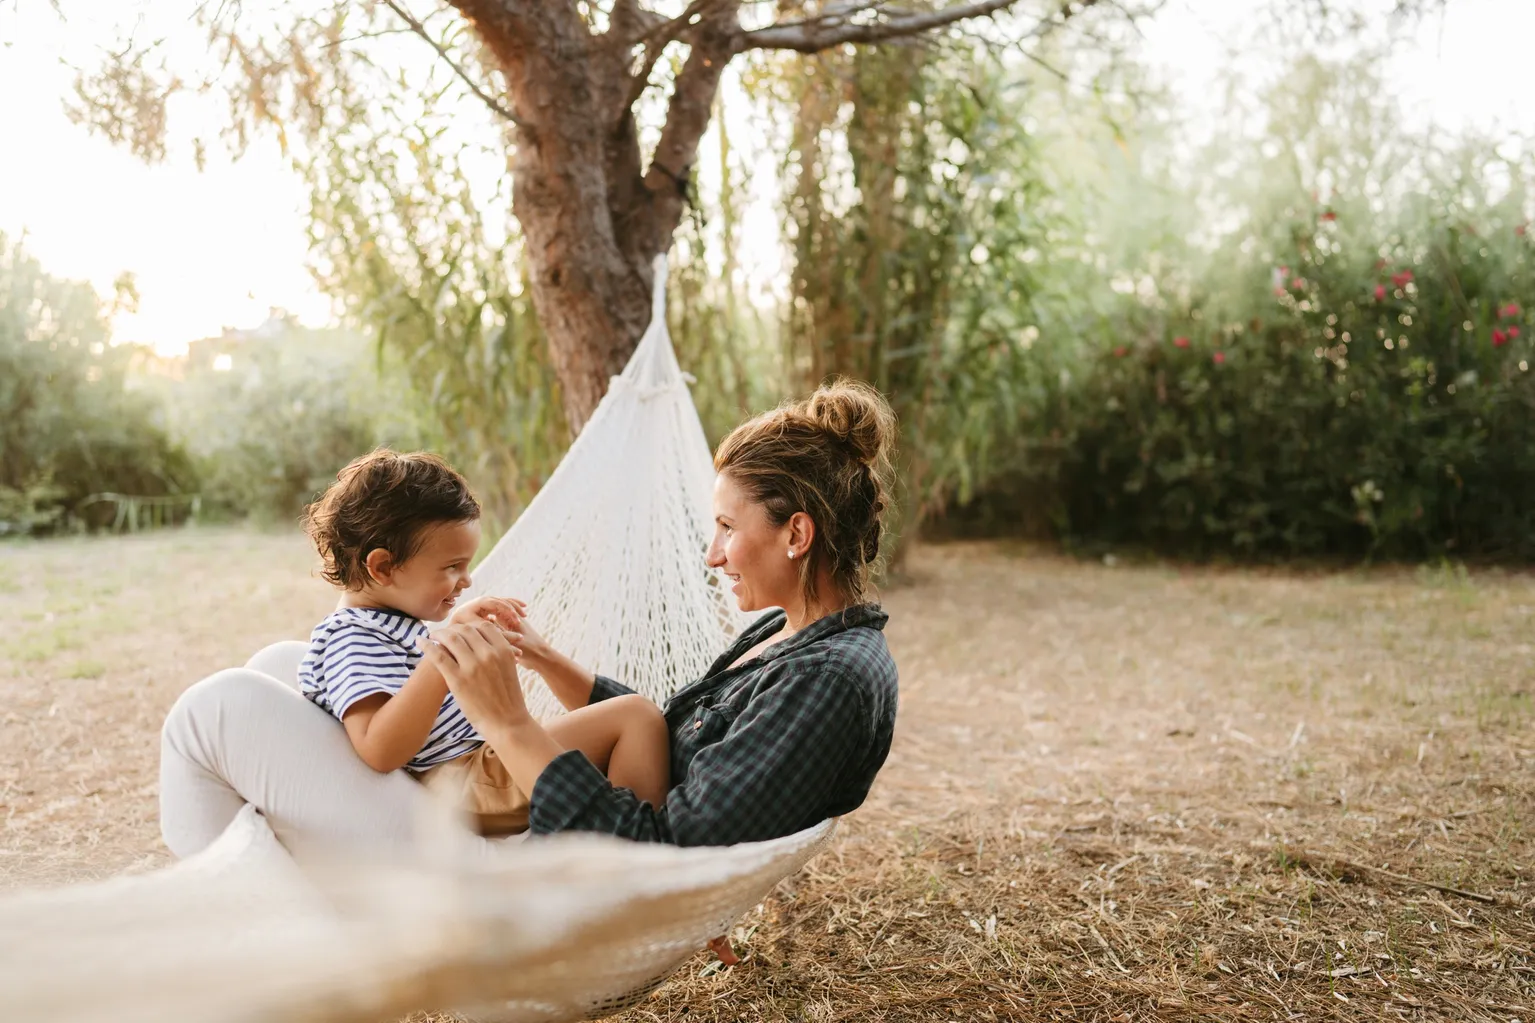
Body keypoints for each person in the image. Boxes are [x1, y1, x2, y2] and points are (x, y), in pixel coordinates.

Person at [158, 380, 899, 854]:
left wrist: (508, 724)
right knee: (277, 667)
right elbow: (670, 739)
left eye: (727, 527)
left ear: (796, 535)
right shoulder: (787, 639)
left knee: (217, 706)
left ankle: (245, 906)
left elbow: (662, 845)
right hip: (450, 785)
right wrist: (541, 658)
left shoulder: (827, 681)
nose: (712, 554)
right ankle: (263, 892)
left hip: (498, 841)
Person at [295, 449, 670, 834]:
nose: (467, 580)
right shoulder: (352, 637)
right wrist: (443, 657)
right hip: (464, 781)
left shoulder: (388, 624)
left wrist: (455, 631)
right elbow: (378, 748)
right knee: (634, 716)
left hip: (482, 768)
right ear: (384, 567)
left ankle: (618, 845)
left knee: (626, 726)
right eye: (452, 567)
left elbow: (414, 688)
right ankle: (633, 858)